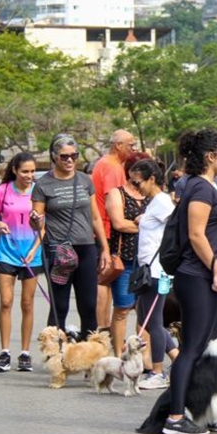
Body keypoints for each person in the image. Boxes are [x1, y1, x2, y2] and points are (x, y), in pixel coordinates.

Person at [162, 129, 217, 434]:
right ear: (210, 157)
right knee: (191, 348)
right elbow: (196, 235)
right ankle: (175, 417)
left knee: (203, 347)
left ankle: (198, 410)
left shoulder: (202, 185)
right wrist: (216, 269)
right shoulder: (201, 189)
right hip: (197, 275)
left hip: (201, 276)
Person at [31, 134, 111, 338]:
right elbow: (37, 221)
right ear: (54, 157)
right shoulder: (43, 185)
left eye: (73, 156)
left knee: (88, 304)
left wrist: (105, 249)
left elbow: (95, 217)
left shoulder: (85, 180)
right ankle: (54, 353)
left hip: (86, 247)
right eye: (64, 156)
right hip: (58, 250)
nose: (69, 160)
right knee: (59, 305)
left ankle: (89, 353)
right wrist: (35, 220)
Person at [0, 152, 41, 372]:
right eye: (25, 171)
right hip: (7, 252)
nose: (29, 175)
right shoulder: (3, 190)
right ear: (15, 170)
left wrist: (35, 248)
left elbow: (45, 227)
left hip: (31, 253)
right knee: (6, 301)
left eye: (32, 171)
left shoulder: (39, 191)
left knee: (27, 303)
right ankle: (5, 352)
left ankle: (25, 353)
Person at [129, 159, 177, 391]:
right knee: (144, 317)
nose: (134, 186)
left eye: (137, 181)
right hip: (150, 270)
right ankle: (177, 359)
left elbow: (175, 227)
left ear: (151, 179)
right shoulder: (154, 202)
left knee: (154, 322)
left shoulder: (162, 202)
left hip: (158, 272)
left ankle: (157, 371)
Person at [92, 129, 136, 330]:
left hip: (104, 228)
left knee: (106, 280)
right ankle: (102, 329)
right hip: (107, 230)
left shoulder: (107, 164)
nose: (133, 149)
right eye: (130, 145)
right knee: (105, 280)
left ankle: (103, 328)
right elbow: (114, 199)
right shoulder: (111, 167)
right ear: (118, 145)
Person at [105, 152, 148, 356]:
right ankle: (117, 354)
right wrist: (147, 224)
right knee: (122, 308)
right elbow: (119, 223)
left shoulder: (151, 193)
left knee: (145, 311)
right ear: (132, 171)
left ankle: (143, 356)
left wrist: (145, 223)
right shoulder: (117, 193)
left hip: (149, 260)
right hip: (126, 259)